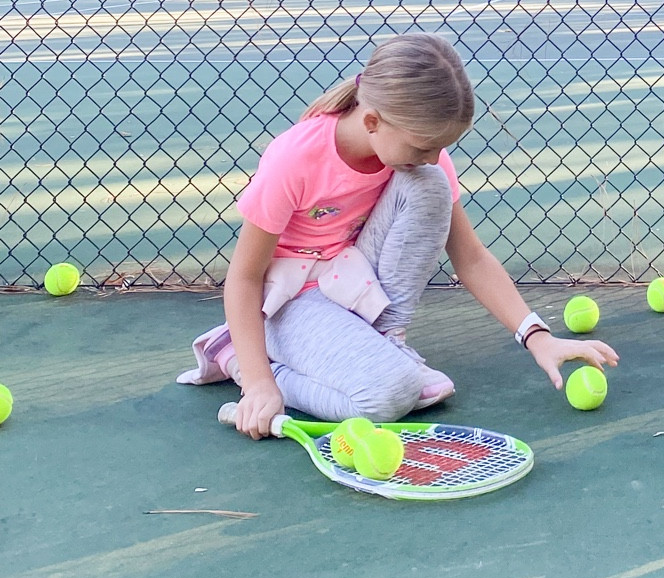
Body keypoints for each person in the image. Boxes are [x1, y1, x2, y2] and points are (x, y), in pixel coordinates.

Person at [177, 31, 616, 434]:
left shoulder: (421, 161)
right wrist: (259, 384)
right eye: (423, 146)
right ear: (372, 122)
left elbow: (471, 257)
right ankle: (236, 355)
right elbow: (244, 277)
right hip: (285, 300)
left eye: (441, 147)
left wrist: (538, 337)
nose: (433, 157)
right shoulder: (295, 158)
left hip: (349, 278)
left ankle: (386, 342)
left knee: (431, 187)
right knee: (387, 396)